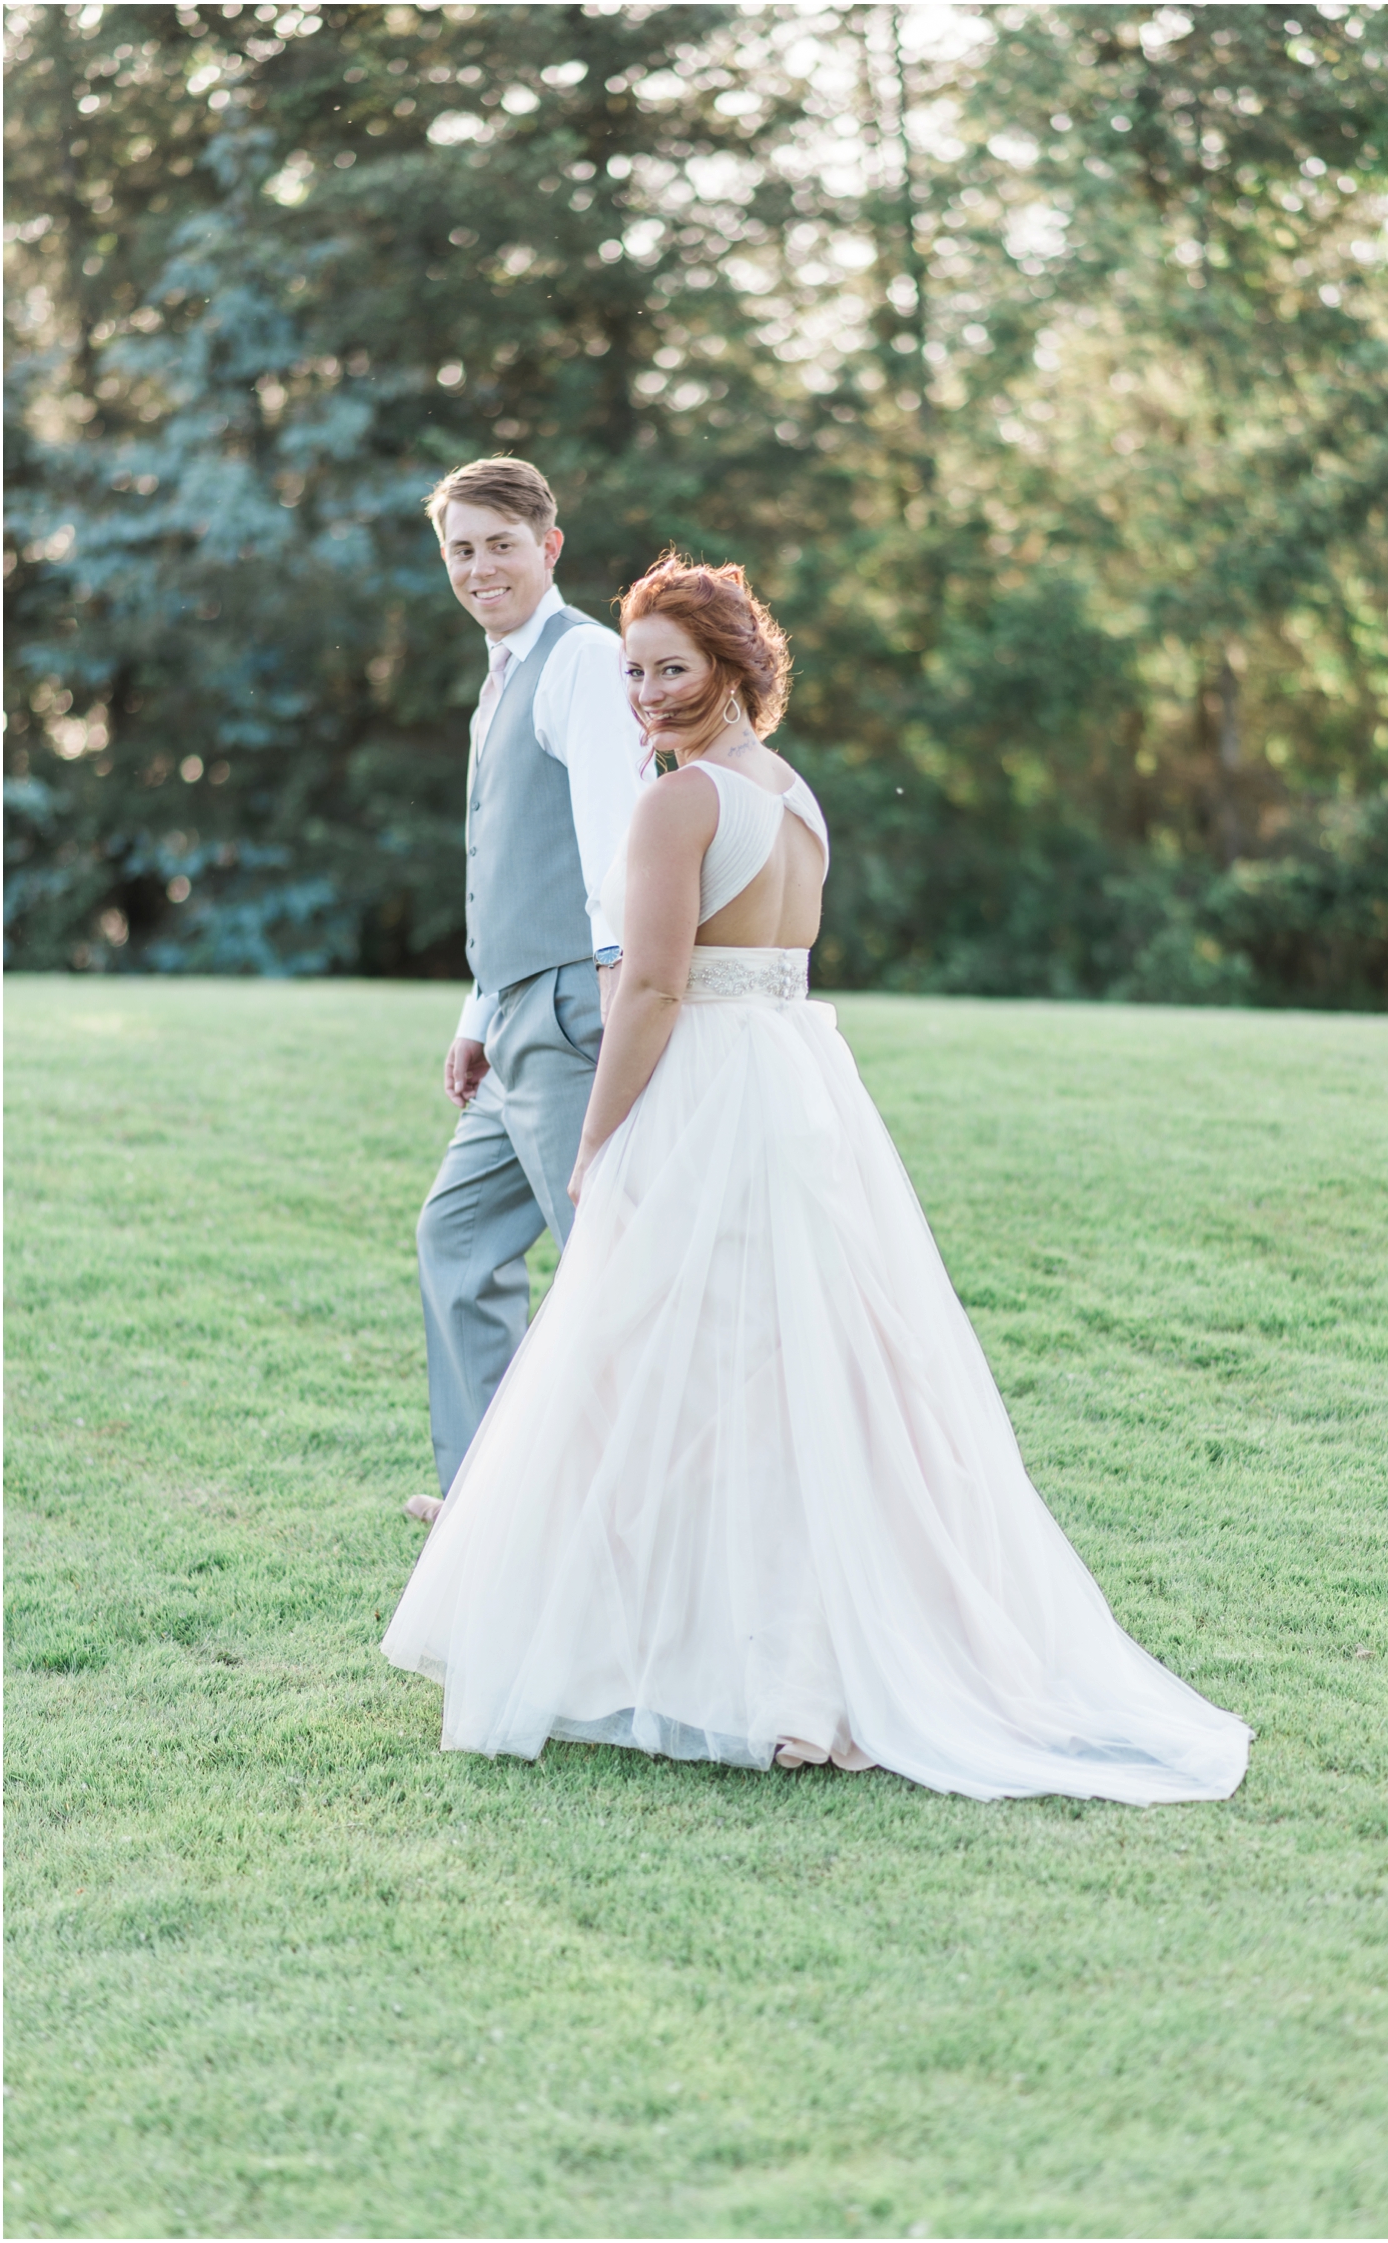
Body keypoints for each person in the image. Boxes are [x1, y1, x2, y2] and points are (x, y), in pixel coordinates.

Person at [383, 555, 1252, 1804]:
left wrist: (595, 1139)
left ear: (736, 667)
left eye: (670, 670)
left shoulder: (679, 807)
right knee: (784, 1372)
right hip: (799, 1090)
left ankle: (752, 1674)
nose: (646, 696)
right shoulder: (795, 798)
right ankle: (777, 1655)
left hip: (715, 1096)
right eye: (630, 673)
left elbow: (654, 986)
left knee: (681, 1371)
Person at [406, 456, 651, 1524]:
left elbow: (616, 842)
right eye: (460, 548)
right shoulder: (501, 673)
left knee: (605, 1264)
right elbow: (501, 861)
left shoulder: (584, 660)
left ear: (548, 548)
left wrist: (605, 998)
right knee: (456, 1238)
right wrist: (477, 1014)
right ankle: (487, 1510)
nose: (478, 566)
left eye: (499, 543)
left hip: (569, 1013)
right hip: (511, 1018)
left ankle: (633, 1511)